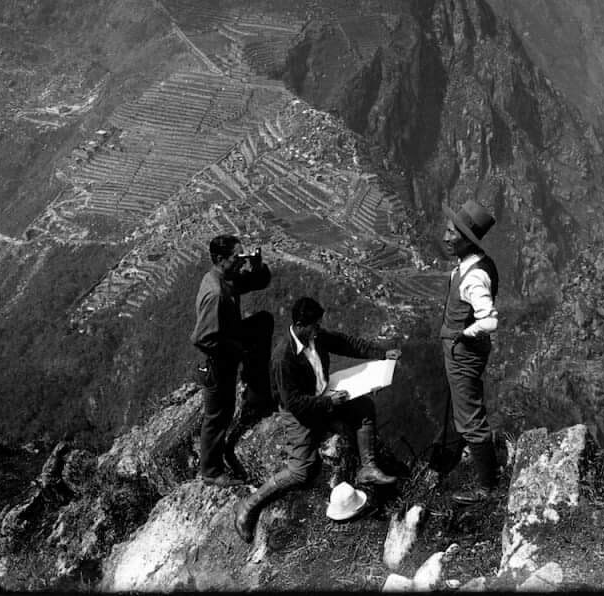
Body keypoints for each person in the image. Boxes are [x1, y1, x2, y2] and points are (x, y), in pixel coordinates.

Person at [233, 296, 401, 543]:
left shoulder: (315, 337)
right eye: (314, 325)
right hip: (301, 411)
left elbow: (345, 343)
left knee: (364, 406)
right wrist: (329, 403)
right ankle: (248, 505)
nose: (318, 329)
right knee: (301, 470)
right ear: (300, 324)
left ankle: (368, 467)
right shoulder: (283, 358)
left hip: (323, 394)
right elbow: (294, 403)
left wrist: (382, 354)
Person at [430, 199, 501, 505]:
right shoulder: (472, 264)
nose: (446, 238)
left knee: (470, 416)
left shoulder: (473, 276)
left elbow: (490, 319)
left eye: (452, 234)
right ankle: (463, 450)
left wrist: (464, 333)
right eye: (447, 231)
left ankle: (486, 487)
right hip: (460, 349)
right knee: (463, 406)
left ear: (465, 239)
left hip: (463, 351)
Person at [191, 235, 274, 487]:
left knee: (262, 322)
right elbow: (202, 339)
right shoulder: (216, 292)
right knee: (218, 415)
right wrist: (237, 351)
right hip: (215, 359)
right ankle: (211, 471)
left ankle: (256, 393)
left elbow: (259, 282)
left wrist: (256, 265)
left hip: (228, 338)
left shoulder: (225, 278)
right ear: (220, 259)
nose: (240, 261)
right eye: (236, 257)